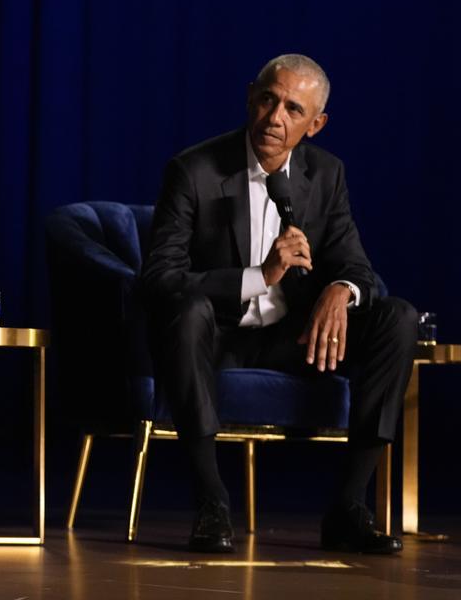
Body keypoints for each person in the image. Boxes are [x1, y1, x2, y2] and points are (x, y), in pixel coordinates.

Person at [141, 54, 417, 555]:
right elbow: (160, 279)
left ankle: (348, 508)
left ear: (315, 124)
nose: (275, 117)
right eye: (268, 99)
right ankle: (211, 502)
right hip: (215, 338)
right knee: (186, 312)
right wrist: (259, 276)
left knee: (398, 318)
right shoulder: (194, 170)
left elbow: (356, 266)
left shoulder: (327, 174)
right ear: (251, 96)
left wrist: (341, 291)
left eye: (293, 108)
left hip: (295, 341)